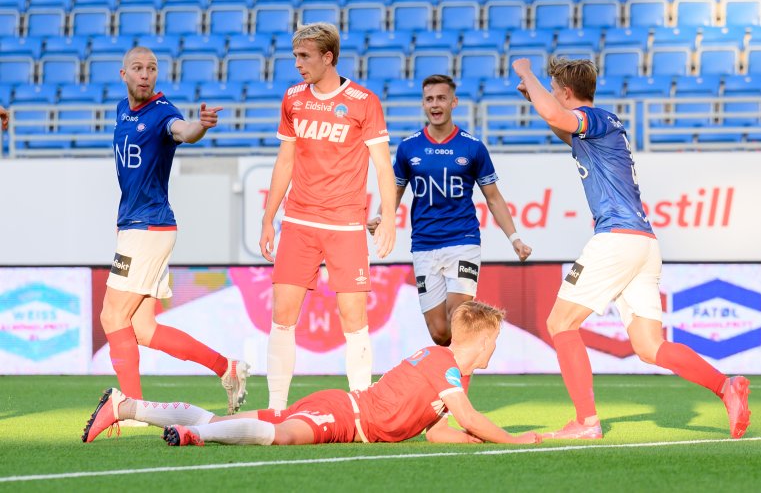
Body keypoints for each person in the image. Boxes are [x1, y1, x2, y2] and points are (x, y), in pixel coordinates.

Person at [511, 56, 751, 440]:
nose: (552, 97)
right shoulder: (601, 127)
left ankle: (586, 423)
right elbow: (559, 124)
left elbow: (557, 117)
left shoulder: (595, 119)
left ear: (567, 93)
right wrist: (536, 98)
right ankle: (726, 387)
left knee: (560, 323)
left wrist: (527, 73)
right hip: (643, 243)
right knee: (649, 346)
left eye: (556, 91)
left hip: (617, 238)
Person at [82, 301, 542, 447]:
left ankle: (125, 406)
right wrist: (514, 440)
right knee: (280, 439)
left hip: (339, 405)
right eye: (495, 340)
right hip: (345, 417)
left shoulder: (436, 359)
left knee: (221, 422)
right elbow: (470, 417)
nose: (495, 349)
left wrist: (481, 439)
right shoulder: (447, 368)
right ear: (483, 341)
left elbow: (440, 433)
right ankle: (192, 437)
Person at [101, 46, 249, 416]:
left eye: (151, 68)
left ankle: (131, 407)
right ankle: (225, 368)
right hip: (137, 225)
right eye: (137, 68)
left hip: (148, 227)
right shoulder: (122, 110)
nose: (145, 74)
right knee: (144, 329)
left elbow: (184, 131)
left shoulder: (163, 113)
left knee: (111, 317)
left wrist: (200, 125)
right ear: (124, 74)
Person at [258, 23, 397, 411]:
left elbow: (383, 166)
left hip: (345, 224)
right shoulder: (292, 99)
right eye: (296, 57)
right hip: (299, 222)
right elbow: (284, 160)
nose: (298, 64)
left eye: (304, 57)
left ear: (328, 57)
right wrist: (269, 219)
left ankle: (361, 407)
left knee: (353, 318)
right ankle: (276, 407)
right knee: (283, 316)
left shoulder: (363, 101)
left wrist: (389, 217)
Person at [367, 75, 532, 346]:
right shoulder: (409, 148)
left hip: (463, 241)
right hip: (423, 245)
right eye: (430, 99)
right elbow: (394, 190)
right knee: (440, 333)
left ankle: (459, 384)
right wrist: (382, 218)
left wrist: (515, 239)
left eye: (441, 98)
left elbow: (493, 198)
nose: (435, 104)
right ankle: (463, 360)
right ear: (423, 104)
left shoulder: (473, 147)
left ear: (453, 102)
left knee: (458, 317)